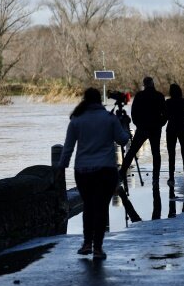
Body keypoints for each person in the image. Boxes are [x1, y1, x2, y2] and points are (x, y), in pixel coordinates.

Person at [57, 87, 129, 260]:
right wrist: (124, 124)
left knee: (88, 206)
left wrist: (61, 167)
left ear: (85, 100)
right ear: (99, 101)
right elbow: (123, 140)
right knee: (102, 207)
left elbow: (68, 148)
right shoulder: (109, 118)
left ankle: (87, 243)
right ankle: (98, 248)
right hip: (106, 170)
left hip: (83, 171)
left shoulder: (77, 120)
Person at [119, 76, 167, 183]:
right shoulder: (159, 96)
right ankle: (155, 177)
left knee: (132, 151)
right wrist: (160, 124)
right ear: (153, 83)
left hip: (142, 128)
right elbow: (165, 113)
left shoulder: (139, 96)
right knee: (156, 153)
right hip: (155, 128)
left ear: (144, 85)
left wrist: (138, 124)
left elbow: (134, 112)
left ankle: (122, 173)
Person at [165, 83, 184, 186]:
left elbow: (166, 115)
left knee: (171, 154)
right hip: (183, 128)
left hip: (171, 128)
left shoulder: (168, 102)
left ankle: (171, 177)